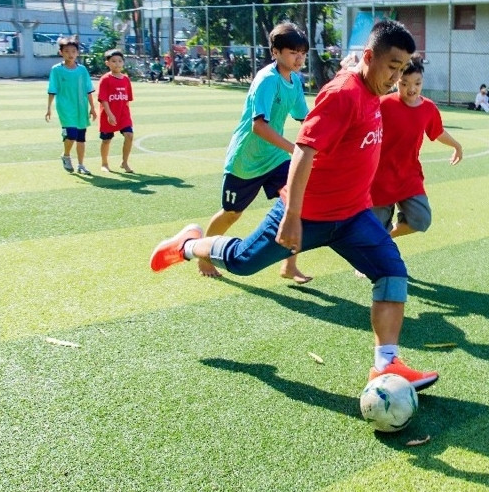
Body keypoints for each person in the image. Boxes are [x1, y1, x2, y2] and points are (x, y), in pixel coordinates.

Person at [150, 20, 439, 391]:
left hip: (353, 216)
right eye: (392, 67)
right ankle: (188, 244)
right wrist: (291, 215)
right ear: (369, 57)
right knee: (242, 262)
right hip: (308, 215)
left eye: (402, 69)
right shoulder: (343, 94)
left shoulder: (374, 94)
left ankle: (386, 365)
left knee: (392, 272)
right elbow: (304, 150)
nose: (396, 77)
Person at [197, 22, 311, 283]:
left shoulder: (294, 81)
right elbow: (259, 127)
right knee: (231, 213)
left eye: (302, 53)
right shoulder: (267, 80)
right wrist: (295, 150)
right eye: (293, 52)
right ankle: (203, 253)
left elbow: (305, 118)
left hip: (275, 159)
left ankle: (289, 265)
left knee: (297, 201)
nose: (299, 58)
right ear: (275, 52)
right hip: (245, 162)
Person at [371, 56, 463, 240]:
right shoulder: (383, 104)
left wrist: (457, 145)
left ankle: (386, 237)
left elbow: (437, 132)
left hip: (408, 175)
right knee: (374, 230)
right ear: (396, 80)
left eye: (417, 83)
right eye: (404, 83)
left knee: (421, 218)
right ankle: (368, 260)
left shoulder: (428, 108)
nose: (411, 89)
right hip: (380, 177)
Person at [45, 36, 97, 175]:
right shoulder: (56, 70)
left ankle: (81, 165)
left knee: (81, 137)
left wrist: (92, 107)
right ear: (61, 52)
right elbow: (52, 89)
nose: (70, 54)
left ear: (77, 53)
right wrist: (49, 108)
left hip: (81, 106)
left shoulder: (82, 70)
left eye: (73, 51)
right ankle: (66, 155)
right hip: (65, 107)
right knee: (72, 134)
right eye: (67, 51)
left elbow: (88, 90)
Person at [97, 49, 135, 173]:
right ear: (107, 63)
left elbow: (127, 99)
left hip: (123, 114)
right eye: (113, 61)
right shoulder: (105, 79)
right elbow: (103, 99)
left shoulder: (125, 79)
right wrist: (109, 114)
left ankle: (124, 162)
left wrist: (125, 114)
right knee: (106, 140)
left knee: (129, 135)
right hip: (108, 114)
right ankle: (104, 163)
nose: (117, 64)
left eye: (119, 61)